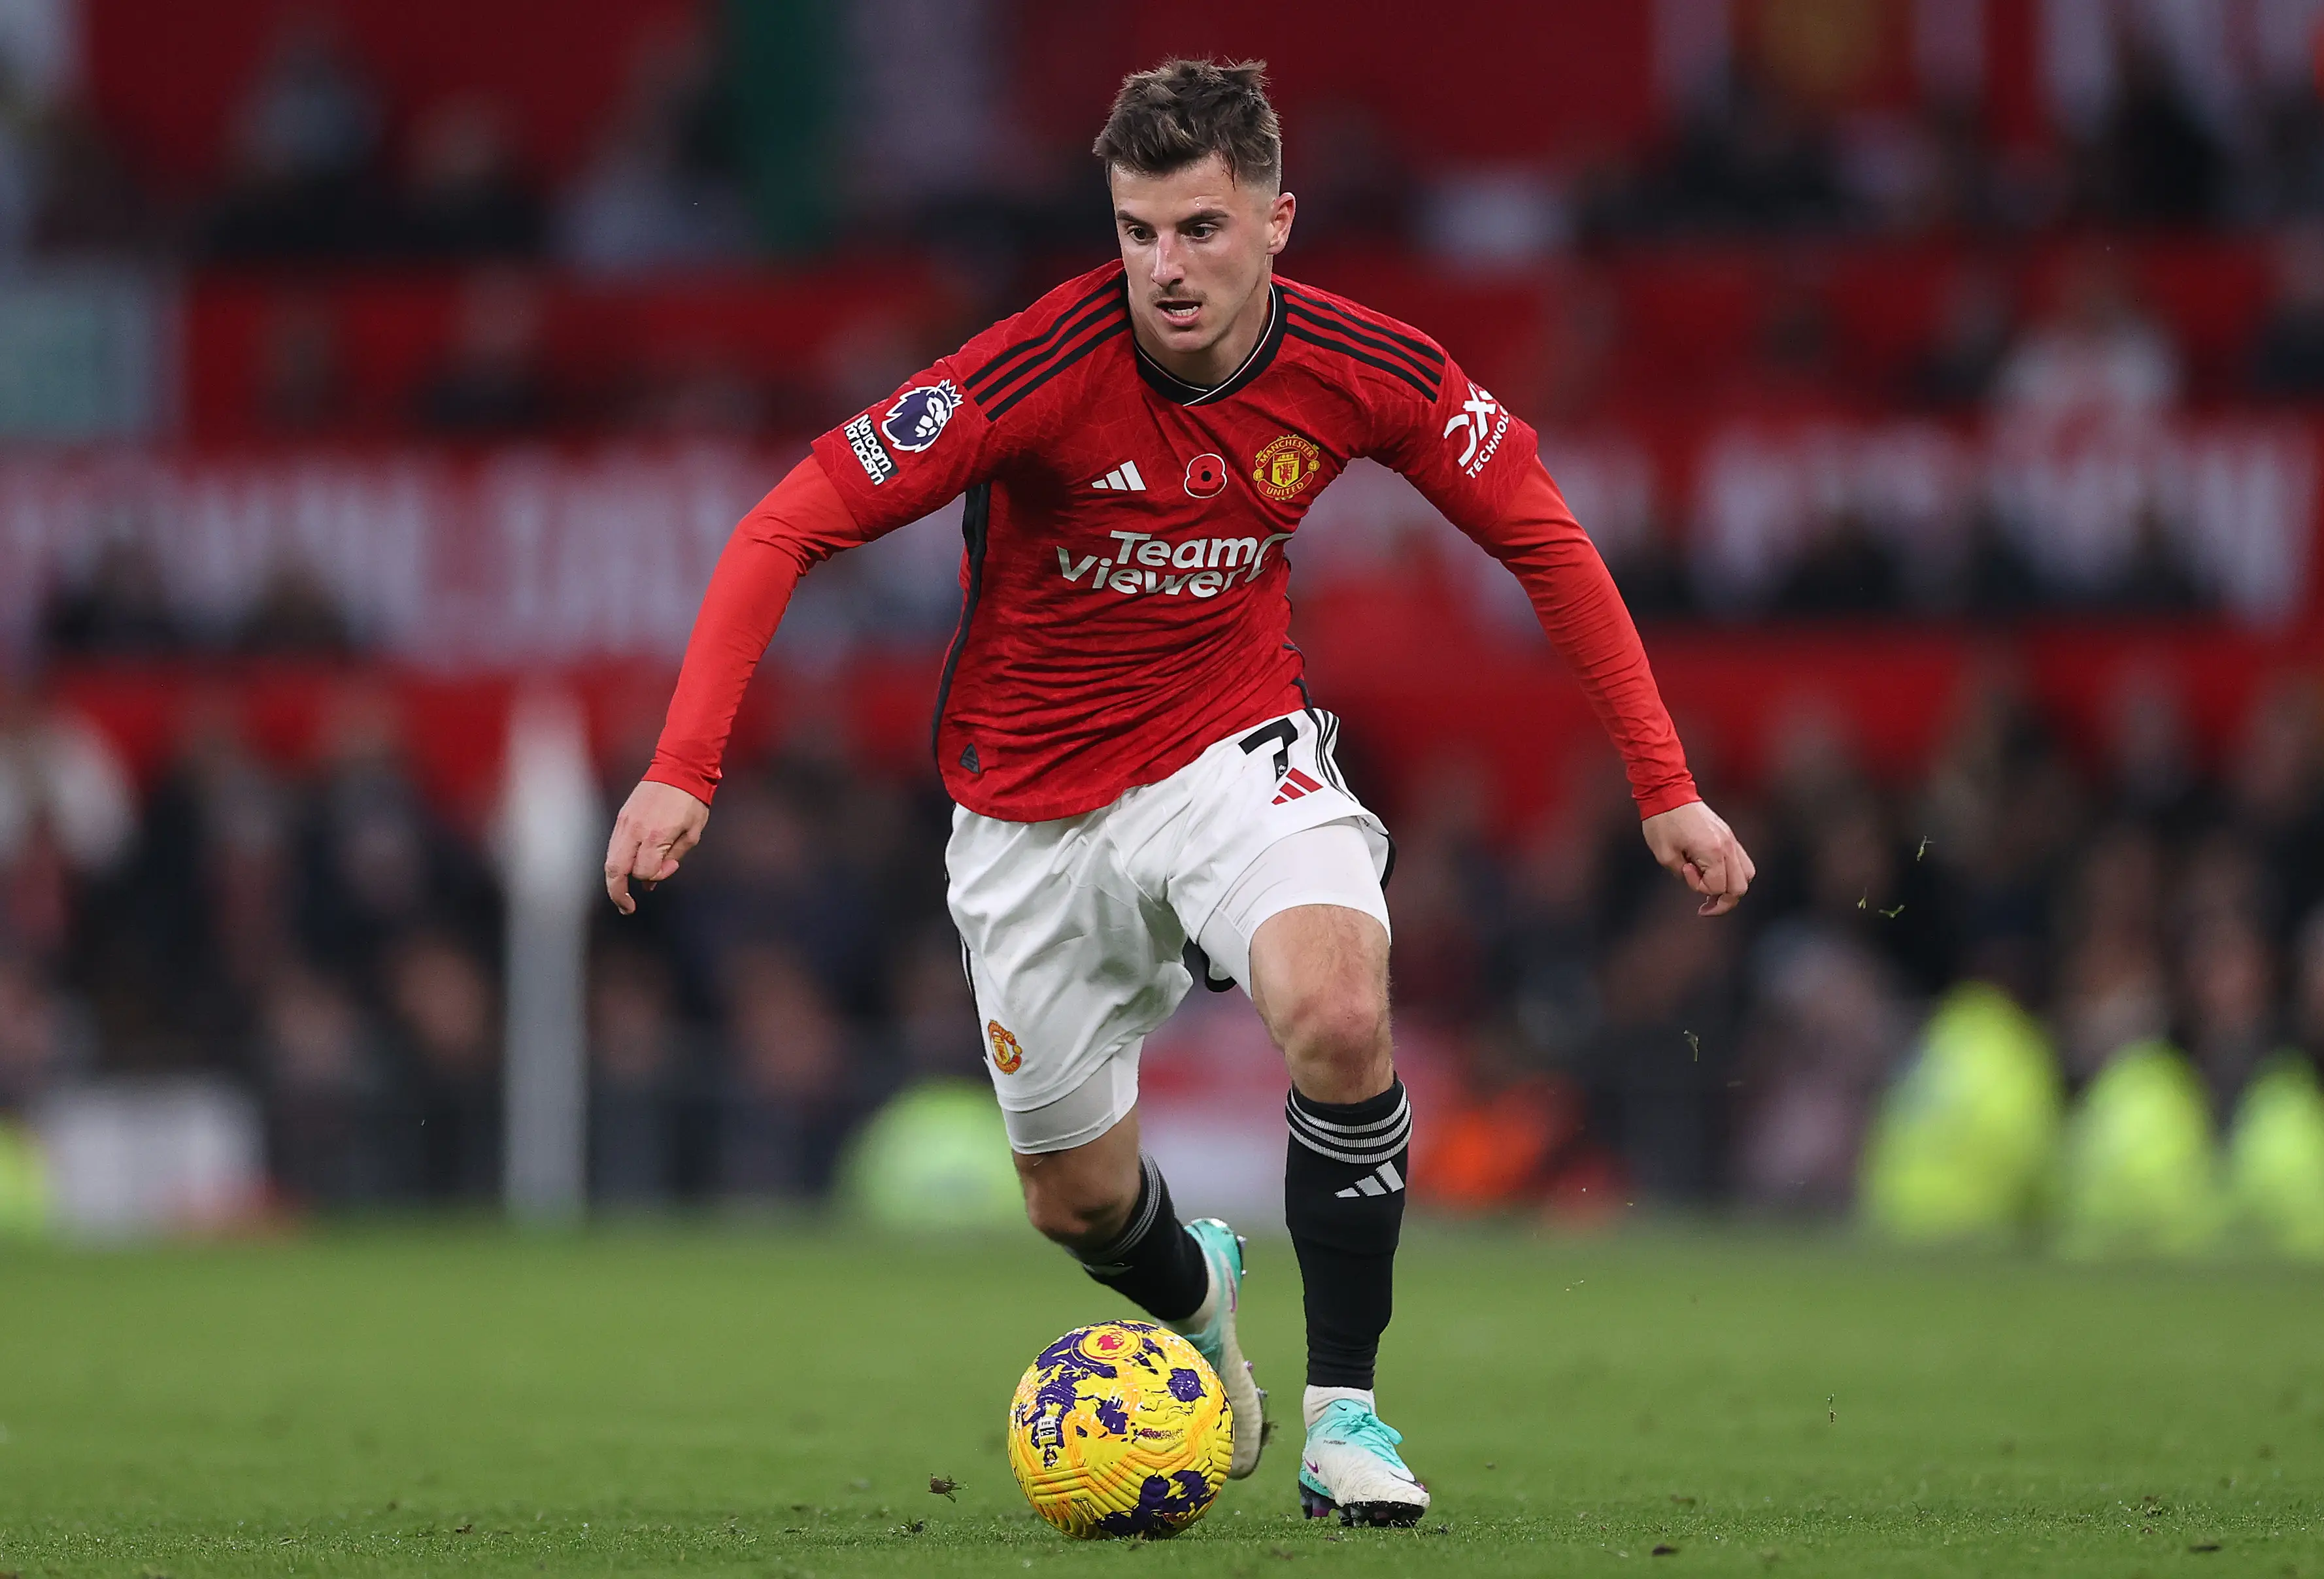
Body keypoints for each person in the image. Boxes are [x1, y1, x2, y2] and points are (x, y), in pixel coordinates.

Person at [603, 59, 1751, 1528]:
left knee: (1341, 1009)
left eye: (1201, 228)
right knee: (1075, 1202)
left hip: (1229, 748)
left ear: (1278, 219)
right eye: (1139, 230)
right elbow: (787, 523)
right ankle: (1202, 1292)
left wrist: (1667, 785)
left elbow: (1544, 531)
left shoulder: (1364, 365)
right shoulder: (1033, 369)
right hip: (1027, 813)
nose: (1166, 268)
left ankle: (1347, 1415)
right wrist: (682, 765)